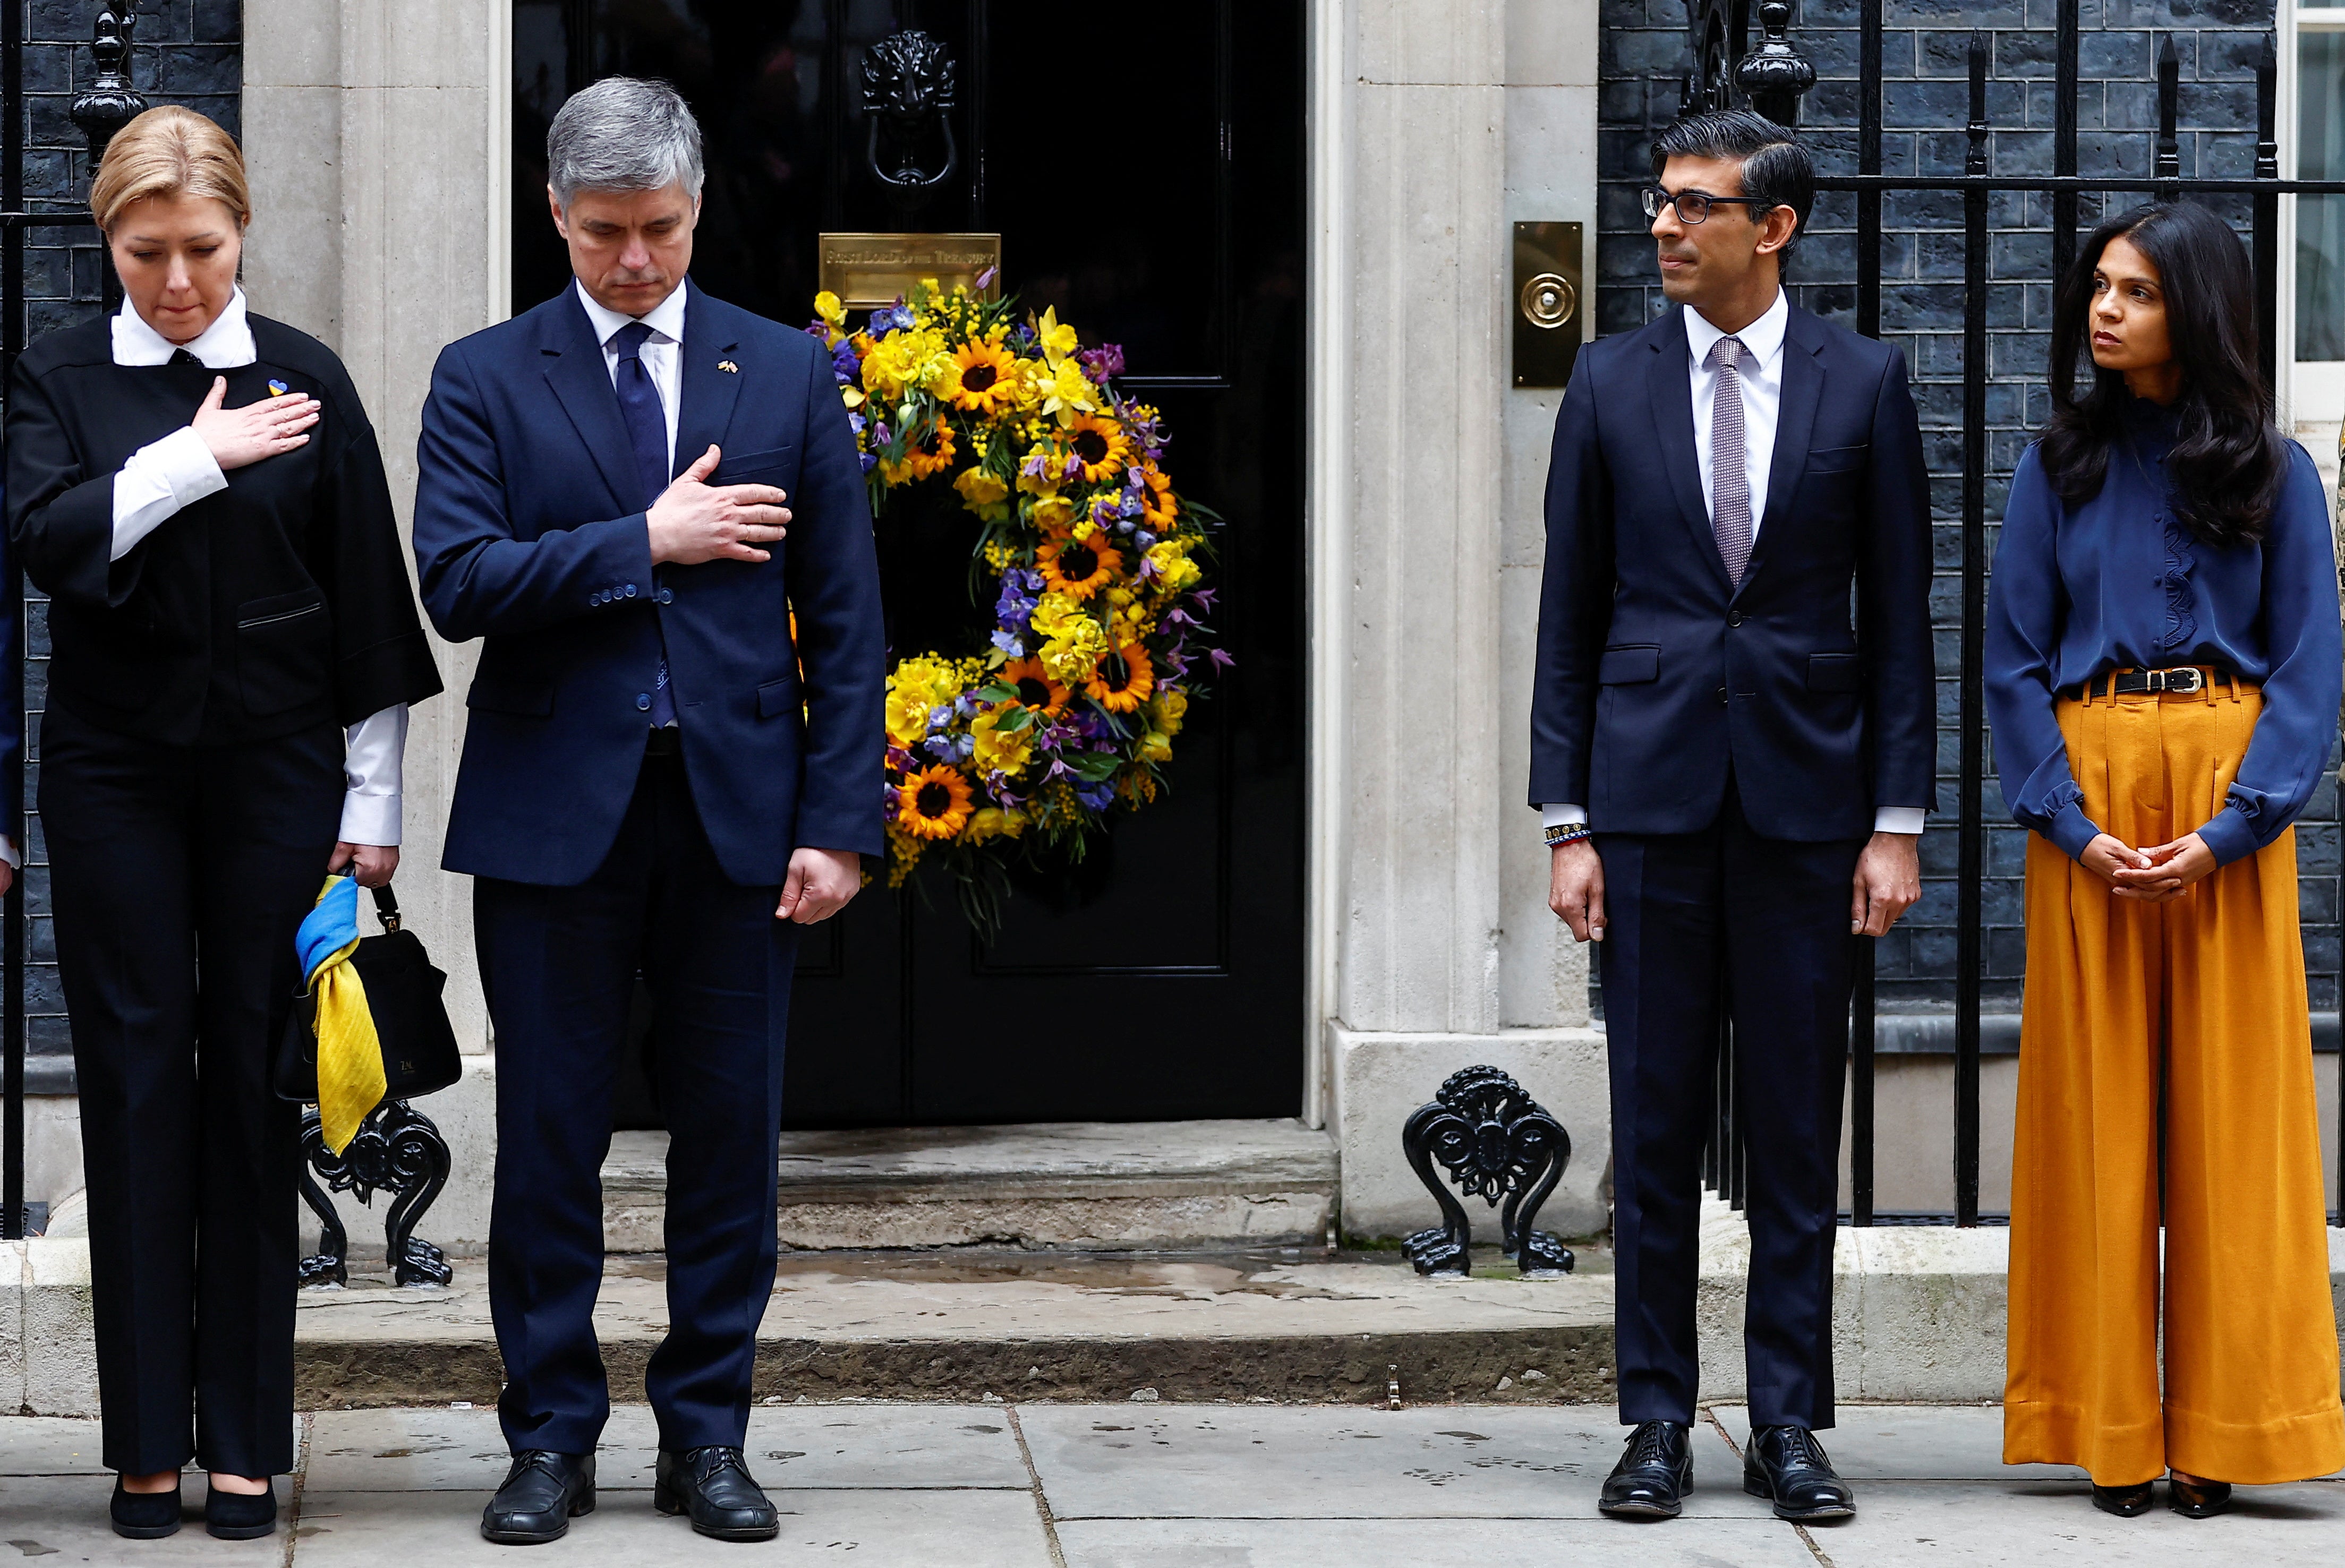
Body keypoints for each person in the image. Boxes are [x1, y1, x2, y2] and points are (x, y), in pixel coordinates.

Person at [411, 77, 884, 1547]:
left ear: (697, 210)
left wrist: (841, 820)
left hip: (739, 819)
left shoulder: (784, 372)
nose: (635, 260)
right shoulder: (485, 375)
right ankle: (551, 1436)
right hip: (555, 822)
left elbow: (848, 616)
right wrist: (644, 540)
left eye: (662, 231)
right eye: (606, 231)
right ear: (556, 213)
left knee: (728, 1143)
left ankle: (709, 1435)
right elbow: (458, 579)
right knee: (550, 1139)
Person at [3, 106, 442, 1541]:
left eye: (200, 249)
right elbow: (51, 537)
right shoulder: (63, 374)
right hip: (115, 776)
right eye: (145, 252)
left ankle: (247, 1437)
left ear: (240, 232)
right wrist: (197, 455)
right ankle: (142, 1444)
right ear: (106, 238)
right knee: (135, 1087)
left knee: (262, 1091)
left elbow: (368, 605)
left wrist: (369, 812)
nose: (175, 280)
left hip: (274, 781)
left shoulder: (305, 379)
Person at [1530, 109, 1936, 1523]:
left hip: (1806, 811)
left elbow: (1898, 623)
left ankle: (1787, 1419)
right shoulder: (1606, 383)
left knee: (1790, 1131)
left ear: (1773, 228)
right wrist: (1566, 820)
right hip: (1642, 808)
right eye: (1659, 202)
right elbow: (1568, 621)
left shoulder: (1864, 383)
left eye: (1694, 205)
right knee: (1649, 1127)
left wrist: (1897, 821)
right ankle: (1652, 1419)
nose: (1661, 225)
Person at [1985, 201, 2345, 1520]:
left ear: (2196, 307)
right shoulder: (2059, 463)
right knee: (2094, 1124)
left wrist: (2233, 827)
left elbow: (2310, 668)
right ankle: (2112, 1429)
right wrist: (2074, 829)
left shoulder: (2277, 472)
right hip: (2091, 797)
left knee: (2235, 1127)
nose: (2104, 309)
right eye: (2100, 287)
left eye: (2135, 291)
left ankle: (2231, 1428)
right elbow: (2012, 661)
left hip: (2223, 800)